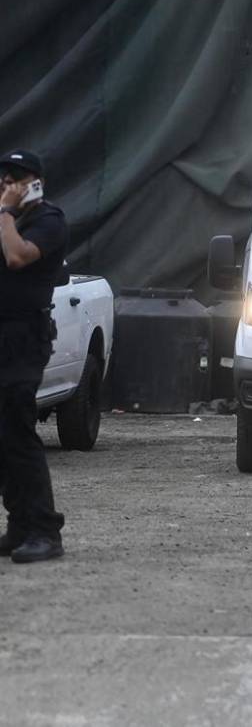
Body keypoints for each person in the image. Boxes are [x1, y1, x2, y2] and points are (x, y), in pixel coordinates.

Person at [0, 150, 69, 564]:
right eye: (4, 176)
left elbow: (17, 256)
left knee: (19, 434)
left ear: (36, 183)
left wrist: (5, 212)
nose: (8, 183)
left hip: (23, 339)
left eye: (16, 177)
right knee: (2, 438)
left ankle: (46, 530)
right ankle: (20, 525)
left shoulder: (48, 220)